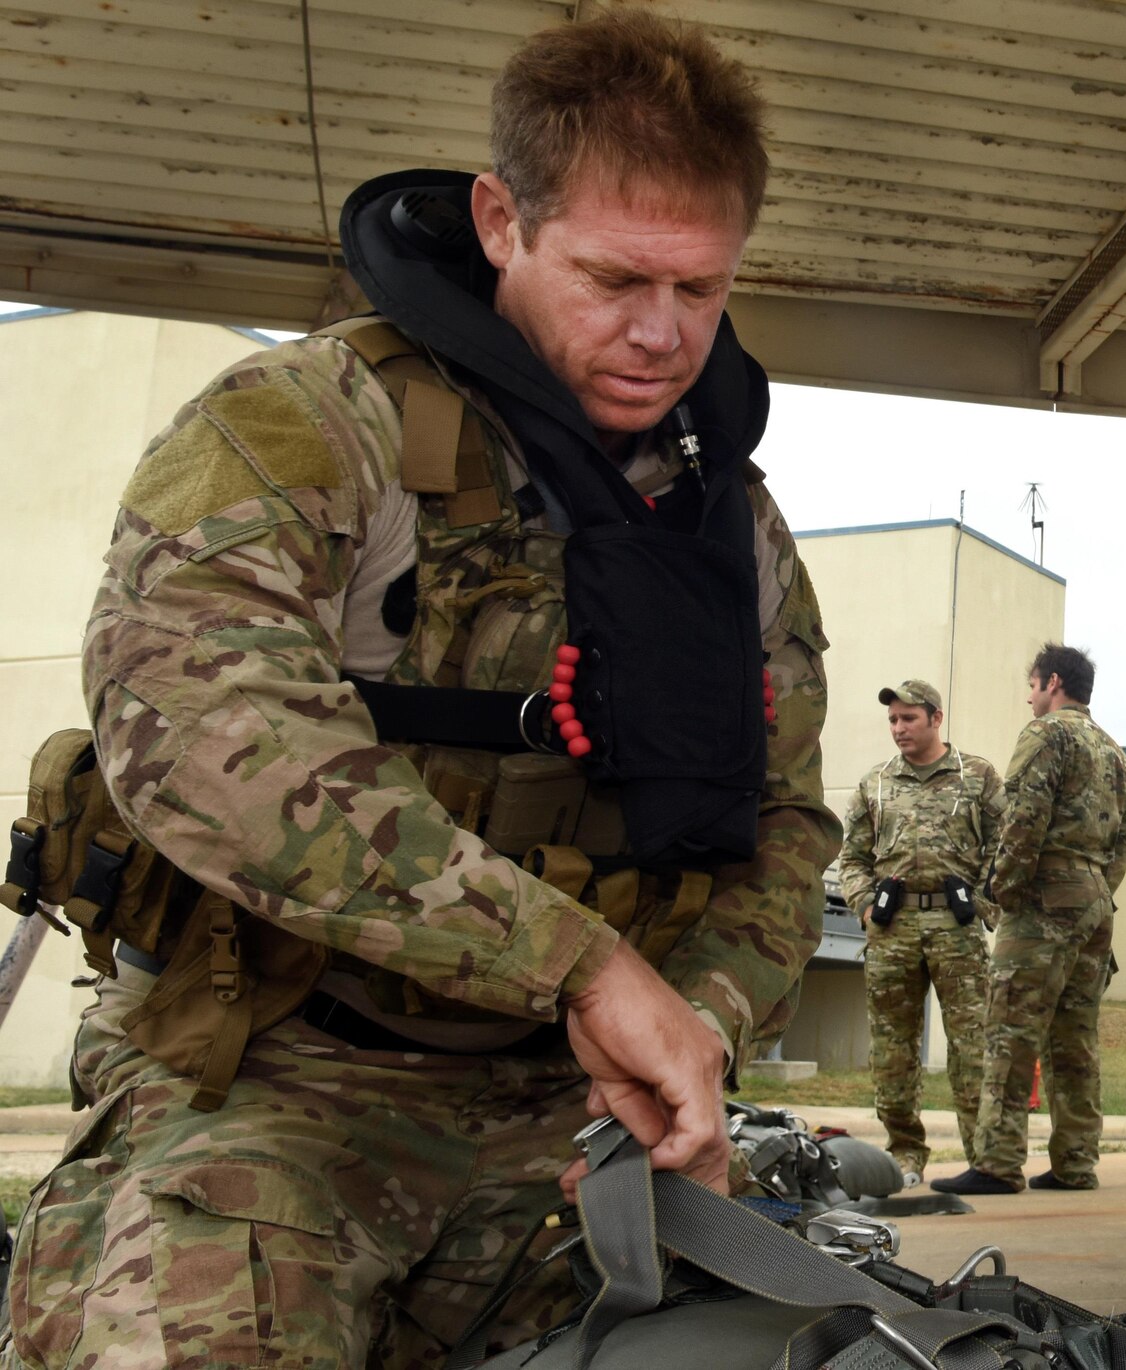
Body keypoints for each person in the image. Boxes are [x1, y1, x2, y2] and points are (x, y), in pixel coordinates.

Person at [3, 12, 838, 1368]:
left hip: (568, 1122)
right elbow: (203, 737)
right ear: (500, 221)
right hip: (270, 1083)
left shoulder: (725, 526)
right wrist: (577, 963)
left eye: (702, 289)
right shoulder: (306, 426)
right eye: (618, 277)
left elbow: (786, 824)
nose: (662, 333)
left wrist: (695, 1033)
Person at [934, 644, 1126, 1197]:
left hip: (1044, 899)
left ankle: (997, 1163)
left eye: (1032, 686)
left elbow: (1024, 818)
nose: (1028, 697)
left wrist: (1004, 892)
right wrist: (1095, 893)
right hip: (1095, 901)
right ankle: (1076, 1163)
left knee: (1009, 1030)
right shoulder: (1115, 753)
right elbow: (1124, 841)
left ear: (1052, 682)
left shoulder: (1047, 735)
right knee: (1075, 1038)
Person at [838, 680, 1004, 1189]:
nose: (898, 729)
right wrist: (865, 906)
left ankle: (983, 1159)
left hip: (955, 930)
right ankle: (904, 1154)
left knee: (972, 1044)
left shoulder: (977, 777)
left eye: (908, 718)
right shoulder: (876, 784)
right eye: (892, 720)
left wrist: (981, 903)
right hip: (893, 930)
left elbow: (1005, 849)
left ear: (936, 717)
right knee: (892, 1049)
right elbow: (852, 858)